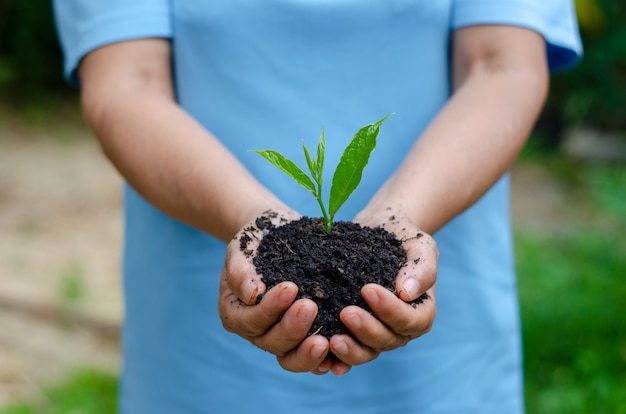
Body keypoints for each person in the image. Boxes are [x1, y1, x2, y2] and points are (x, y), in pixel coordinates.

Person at [52, 1, 581, 412]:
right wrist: (252, 218)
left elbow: (503, 66)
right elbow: (124, 84)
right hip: (205, 348)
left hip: (444, 350)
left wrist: (402, 215)